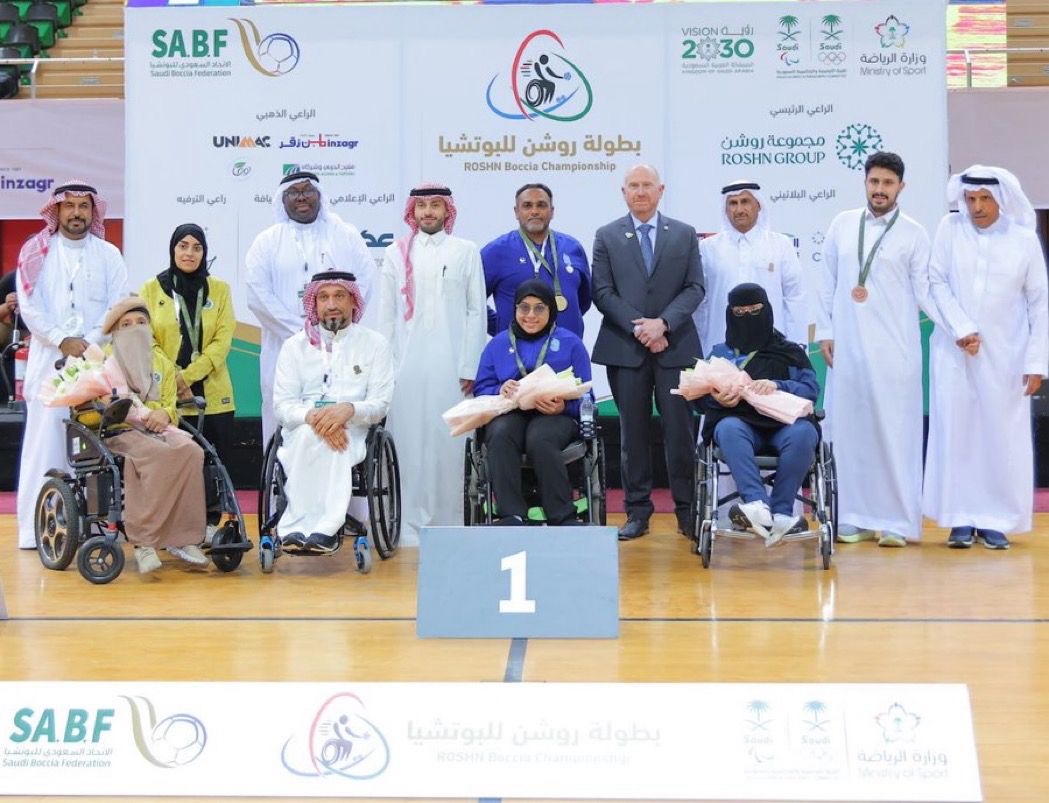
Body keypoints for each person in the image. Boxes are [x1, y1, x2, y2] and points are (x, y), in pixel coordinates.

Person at [924, 166, 1049, 550]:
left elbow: (1039, 303)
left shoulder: (1023, 240)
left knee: (999, 437)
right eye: (971, 199)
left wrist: (1036, 362)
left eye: (984, 199)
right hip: (954, 350)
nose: (976, 207)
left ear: (1002, 200)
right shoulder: (949, 230)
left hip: (1006, 356)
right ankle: (960, 518)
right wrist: (960, 328)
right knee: (956, 434)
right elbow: (935, 281)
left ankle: (995, 519)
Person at [815, 151, 930, 548]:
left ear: (901, 187)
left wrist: (961, 327)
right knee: (850, 433)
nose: (880, 189)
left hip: (896, 352)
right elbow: (826, 281)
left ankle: (897, 521)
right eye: (874, 182)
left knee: (895, 434)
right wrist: (825, 331)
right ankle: (853, 517)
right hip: (848, 350)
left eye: (888, 183)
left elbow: (927, 292)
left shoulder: (914, 233)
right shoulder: (843, 224)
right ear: (865, 183)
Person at [591, 164, 704, 540]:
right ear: (623, 192)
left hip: (675, 347)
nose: (640, 192)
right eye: (633, 186)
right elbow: (602, 291)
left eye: (647, 185)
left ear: (661, 190)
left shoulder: (684, 234)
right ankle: (637, 512)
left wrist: (664, 324)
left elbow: (695, 287)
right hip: (626, 348)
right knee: (632, 434)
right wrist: (641, 328)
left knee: (680, 433)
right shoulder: (607, 235)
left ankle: (687, 512)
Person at [13, 180, 127, 550]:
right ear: (57, 210)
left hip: (95, 363)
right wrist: (62, 339)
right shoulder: (35, 251)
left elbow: (117, 305)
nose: (76, 213)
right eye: (69, 206)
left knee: (92, 447)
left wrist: (88, 342)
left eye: (83, 206)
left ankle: (93, 527)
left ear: (94, 212)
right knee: (44, 446)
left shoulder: (109, 254)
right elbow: (29, 307)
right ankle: (37, 530)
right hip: (50, 362)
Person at [377, 183, 486, 546]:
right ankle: (405, 524)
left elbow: (475, 311)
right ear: (412, 211)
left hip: (452, 369)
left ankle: (451, 521)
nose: (427, 212)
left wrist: (470, 366)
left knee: (449, 444)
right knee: (409, 444)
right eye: (421, 205)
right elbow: (386, 317)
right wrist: (386, 369)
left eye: (435, 205)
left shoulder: (465, 251)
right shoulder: (395, 253)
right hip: (406, 368)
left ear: (447, 210)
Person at [246, 170, 376, 447]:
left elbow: (364, 279)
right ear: (282, 200)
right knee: (283, 412)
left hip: (339, 343)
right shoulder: (267, 241)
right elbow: (258, 295)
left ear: (319, 195)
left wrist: (332, 328)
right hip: (283, 346)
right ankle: (281, 473)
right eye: (294, 192)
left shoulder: (344, 234)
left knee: (337, 406)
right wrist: (301, 331)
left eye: (307, 191)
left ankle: (342, 469)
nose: (301, 197)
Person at [272, 271, 394, 553]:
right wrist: (314, 418)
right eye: (324, 297)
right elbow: (283, 405)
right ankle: (295, 528)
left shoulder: (375, 344)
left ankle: (325, 528)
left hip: (353, 429)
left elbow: (380, 403)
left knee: (336, 444)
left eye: (339, 296)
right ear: (314, 304)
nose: (331, 304)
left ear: (353, 301)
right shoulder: (294, 347)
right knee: (308, 436)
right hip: (304, 427)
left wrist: (348, 410)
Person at [701, 284, 820, 547]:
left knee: (804, 433)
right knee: (727, 428)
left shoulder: (790, 351)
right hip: (741, 423)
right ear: (730, 314)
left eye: (755, 311)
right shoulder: (720, 354)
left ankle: (781, 513)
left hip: (785, 424)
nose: (748, 317)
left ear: (767, 311)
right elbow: (697, 398)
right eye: (740, 313)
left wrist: (778, 385)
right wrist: (715, 398)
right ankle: (756, 504)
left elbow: (811, 390)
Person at [100, 296, 210, 574]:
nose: (135, 328)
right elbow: (103, 405)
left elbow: (171, 404)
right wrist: (139, 415)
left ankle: (182, 538)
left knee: (192, 451)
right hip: (120, 430)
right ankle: (144, 542)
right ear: (115, 331)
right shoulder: (104, 361)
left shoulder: (162, 362)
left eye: (141, 322)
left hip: (159, 428)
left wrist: (164, 414)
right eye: (126, 324)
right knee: (157, 455)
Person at [474, 279, 593, 526]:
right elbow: (481, 390)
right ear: (515, 309)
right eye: (524, 307)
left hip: (556, 416)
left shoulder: (571, 343)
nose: (530, 315)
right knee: (500, 433)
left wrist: (564, 407)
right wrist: (499, 390)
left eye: (539, 308)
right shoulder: (498, 344)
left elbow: (587, 396)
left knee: (540, 438)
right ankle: (511, 514)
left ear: (551, 310)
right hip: (511, 413)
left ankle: (561, 514)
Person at [140, 224, 236, 469]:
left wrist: (188, 377)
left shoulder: (220, 290)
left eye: (197, 248)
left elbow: (222, 341)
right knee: (177, 471)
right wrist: (174, 379)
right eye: (183, 246)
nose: (189, 253)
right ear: (173, 249)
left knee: (217, 471)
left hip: (214, 397)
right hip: (168, 398)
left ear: (204, 253)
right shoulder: (151, 289)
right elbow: (147, 340)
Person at [694, 180, 808, 353]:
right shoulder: (708, 248)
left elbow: (795, 297)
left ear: (758, 205)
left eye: (745, 201)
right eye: (733, 203)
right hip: (720, 344)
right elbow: (700, 303)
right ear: (726, 209)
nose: (739, 209)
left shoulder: (780, 244)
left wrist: (796, 345)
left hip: (772, 349)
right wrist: (701, 345)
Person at [481, 183, 592, 337]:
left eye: (541, 205)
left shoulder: (572, 248)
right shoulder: (495, 252)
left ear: (552, 211)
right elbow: (473, 301)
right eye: (527, 206)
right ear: (516, 212)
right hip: (516, 349)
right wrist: (501, 327)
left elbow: (584, 300)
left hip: (566, 346)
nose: (534, 211)